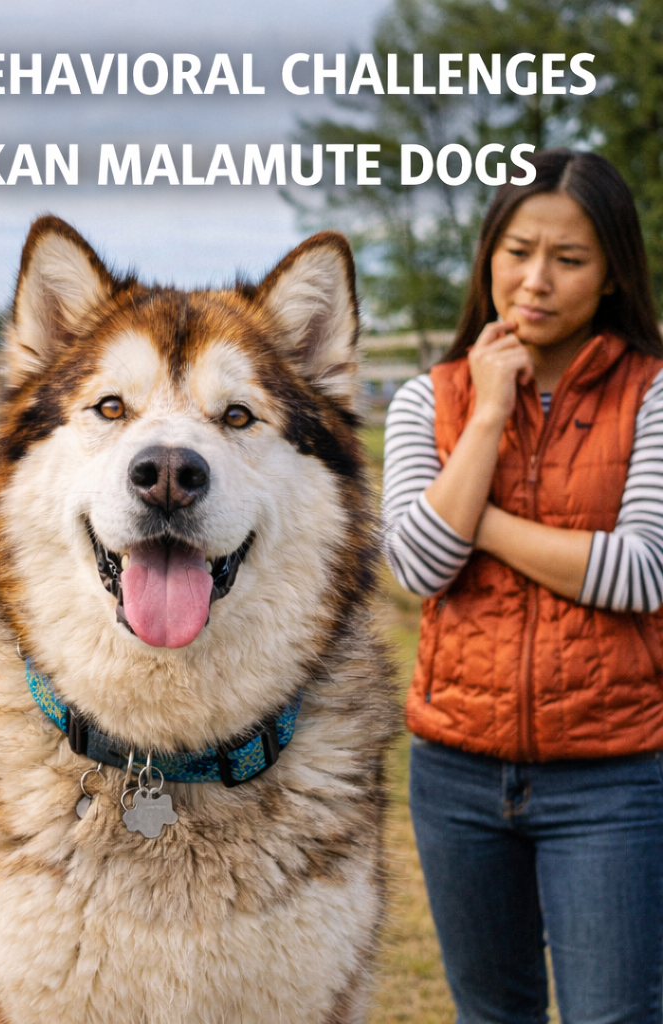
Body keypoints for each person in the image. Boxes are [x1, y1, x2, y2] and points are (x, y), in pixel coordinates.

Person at [383, 148, 663, 1024]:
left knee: (614, 1016)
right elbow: (418, 566)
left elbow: (640, 571)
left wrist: (479, 523)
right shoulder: (426, 401)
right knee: (491, 1014)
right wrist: (491, 411)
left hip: (612, 778)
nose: (535, 279)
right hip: (455, 774)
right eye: (516, 251)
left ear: (612, 272)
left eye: (568, 259)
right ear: (488, 256)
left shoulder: (652, 396)